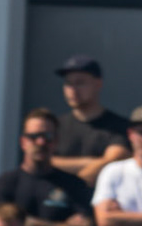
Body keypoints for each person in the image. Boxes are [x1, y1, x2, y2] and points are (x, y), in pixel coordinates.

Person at [51, 55, 131, 186]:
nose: (73, 90)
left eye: (80, 83)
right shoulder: (55, 126)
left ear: (98, 84)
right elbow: (44, 161)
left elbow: (113, 160)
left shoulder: (118, 126)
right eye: (68, 83)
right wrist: (92, 162)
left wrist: (65, 169)